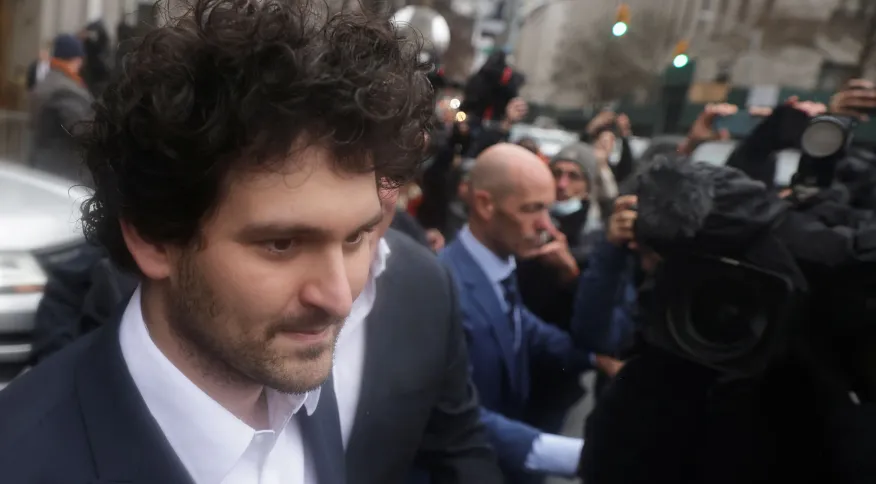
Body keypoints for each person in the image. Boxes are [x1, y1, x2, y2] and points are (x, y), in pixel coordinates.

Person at [0, 2, 432, 484]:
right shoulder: (21, 459)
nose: (338, 299)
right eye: (282, 244)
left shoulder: (293, 380)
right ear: (153, 237)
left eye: (355, 237)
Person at [439, 143, 609, 484]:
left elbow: (522, 325)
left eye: (548, 208)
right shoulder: (443, 289)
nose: (546, 225)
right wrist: (574, 456)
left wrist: (595, 359)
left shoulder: (501, 261)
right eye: (532, 210)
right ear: (485, 205)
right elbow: (450, 411)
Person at [335, 190, 503, 483]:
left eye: (392, 171)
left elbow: (458, 439)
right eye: (280, 244)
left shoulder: (426, 279)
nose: (335, 300)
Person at [28, 33, 93, 183]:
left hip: (43, 161)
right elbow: (82, 128)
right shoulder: (66, 89)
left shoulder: (47, 81)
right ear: (76, 59)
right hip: (63, 169)